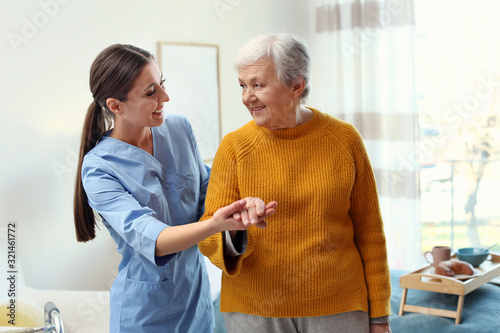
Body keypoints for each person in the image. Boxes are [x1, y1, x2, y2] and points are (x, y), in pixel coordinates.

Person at [73, 44, 276, 332]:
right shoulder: (99, 168)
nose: (165, 97)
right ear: (115, 106)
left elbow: (211, 195)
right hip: (145, 314)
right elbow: (153, 239)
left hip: (196, 302)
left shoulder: (179, 129)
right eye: (150, 92)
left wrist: (241, 210)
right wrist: (215, 224)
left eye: (162, 83)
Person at [198, 33, 392, 333]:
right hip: (255, 311)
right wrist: (237, 227)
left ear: (296, 86)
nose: (247, 96)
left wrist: (380, 317)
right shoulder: (234, 146)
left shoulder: (344, 139)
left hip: (337, 307)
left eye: (258, 85)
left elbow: (370, 233)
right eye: (243, 86)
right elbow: (209, 235)